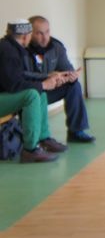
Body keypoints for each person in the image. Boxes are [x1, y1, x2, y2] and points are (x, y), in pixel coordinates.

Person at [0, 19, 68, 163]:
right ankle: (30, 150)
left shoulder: (12, 47)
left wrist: (46, 78)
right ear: (25, 36)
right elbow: (14, 85)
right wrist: (43, 84)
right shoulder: (8, 51)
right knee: (32, 95)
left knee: (39, 93)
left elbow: (20, 75)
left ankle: (43, 138)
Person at [26, 16, 95, 143]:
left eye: (47, 32)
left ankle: (76, 131)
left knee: (74, 86)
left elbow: (67, 69)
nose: (45, 37)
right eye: (39, 33)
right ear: (30, 33)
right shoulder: (22, 49)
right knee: (33, 95)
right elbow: (21, 76)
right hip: (30, 91)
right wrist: (47, 77)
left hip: (49, 91)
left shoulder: (56, 47)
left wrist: (71, 77)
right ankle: (38, 138)